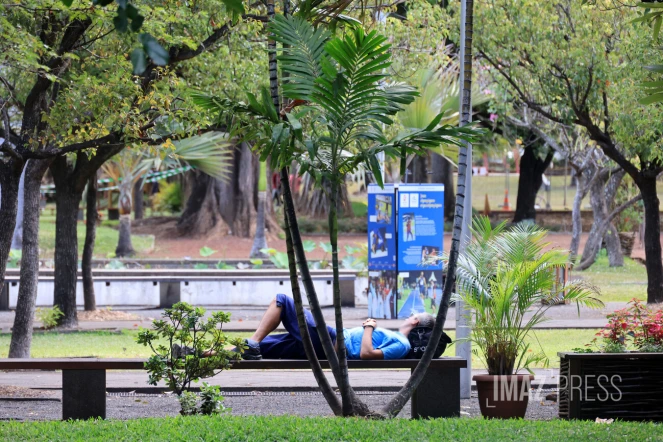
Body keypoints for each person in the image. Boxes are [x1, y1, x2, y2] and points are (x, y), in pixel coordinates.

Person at [179, 294, 435, 361]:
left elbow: (366, 354)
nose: (412, 314)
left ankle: (254, 343)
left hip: (331, 343)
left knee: (283, 301)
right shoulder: (396, 338)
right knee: (256, 349)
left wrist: (368, 326)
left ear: (415, 322)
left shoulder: (401, 344)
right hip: (322, 344)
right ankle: (195, 354)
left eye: (416, 314)